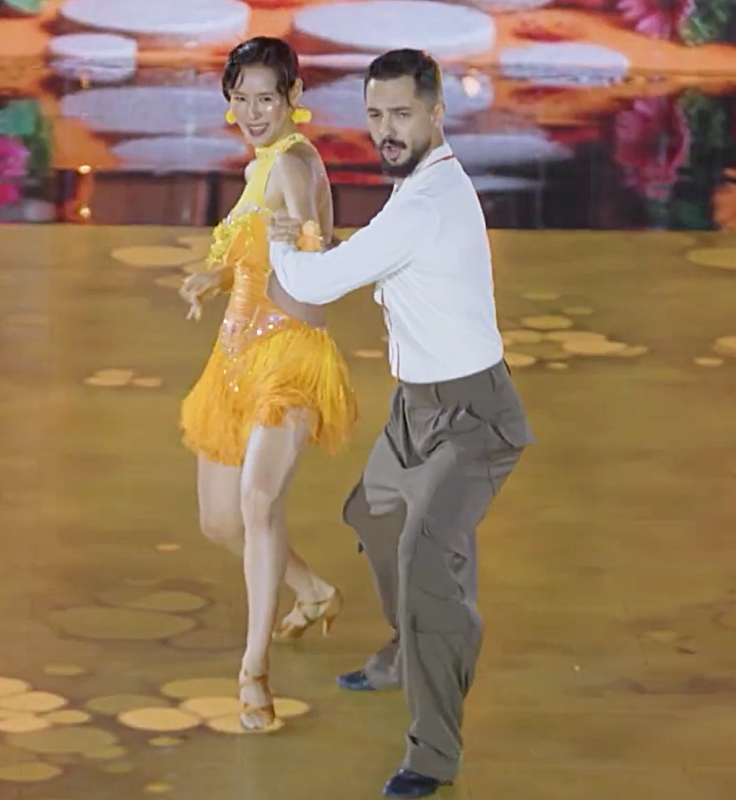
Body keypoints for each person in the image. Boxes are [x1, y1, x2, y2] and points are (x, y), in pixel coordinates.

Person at [266, 49, 533, 799]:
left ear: (437, 114)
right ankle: (411, 645)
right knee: (374, 514)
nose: (386, 129)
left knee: (427, 568)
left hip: (474, 419)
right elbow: (372, 259)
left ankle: (433, 755)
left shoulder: (427, 202)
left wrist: (280, 239)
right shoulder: (417, 186)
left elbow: (318, 281)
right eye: (375, 114)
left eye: (402, 114)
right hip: (415, 410)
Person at [178, 36, 358, 733]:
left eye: (266, 98)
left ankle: (254, 672)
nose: (254, 112)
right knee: (220, 522)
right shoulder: (260, 167)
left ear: (293, 98)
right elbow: (258, 246)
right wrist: (215, 274)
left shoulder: (295, 161)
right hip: (232, 359)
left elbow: (316, 243)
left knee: (257, 502)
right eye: (242, 99)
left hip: (289, 358)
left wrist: (309, 238)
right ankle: (311, 591)